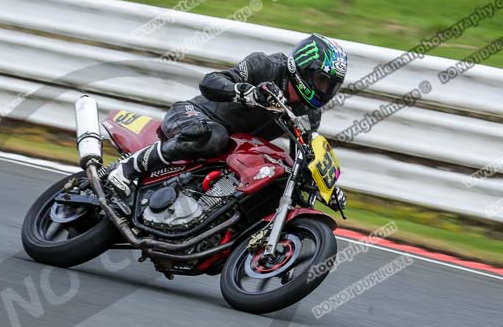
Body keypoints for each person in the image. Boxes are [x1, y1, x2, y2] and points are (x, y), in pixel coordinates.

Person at [107, 33, 348, 210]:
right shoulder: (266, 66)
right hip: (194, 116)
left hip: (231, 152)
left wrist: (326, 189)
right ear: (306, 68)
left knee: (277, 177)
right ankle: (128, 167)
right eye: (322, 80)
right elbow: (209, 82)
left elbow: (302, 157)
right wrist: (245, 92)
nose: (324, 89)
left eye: (331, 86)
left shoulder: (309, 114)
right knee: (213, 135)